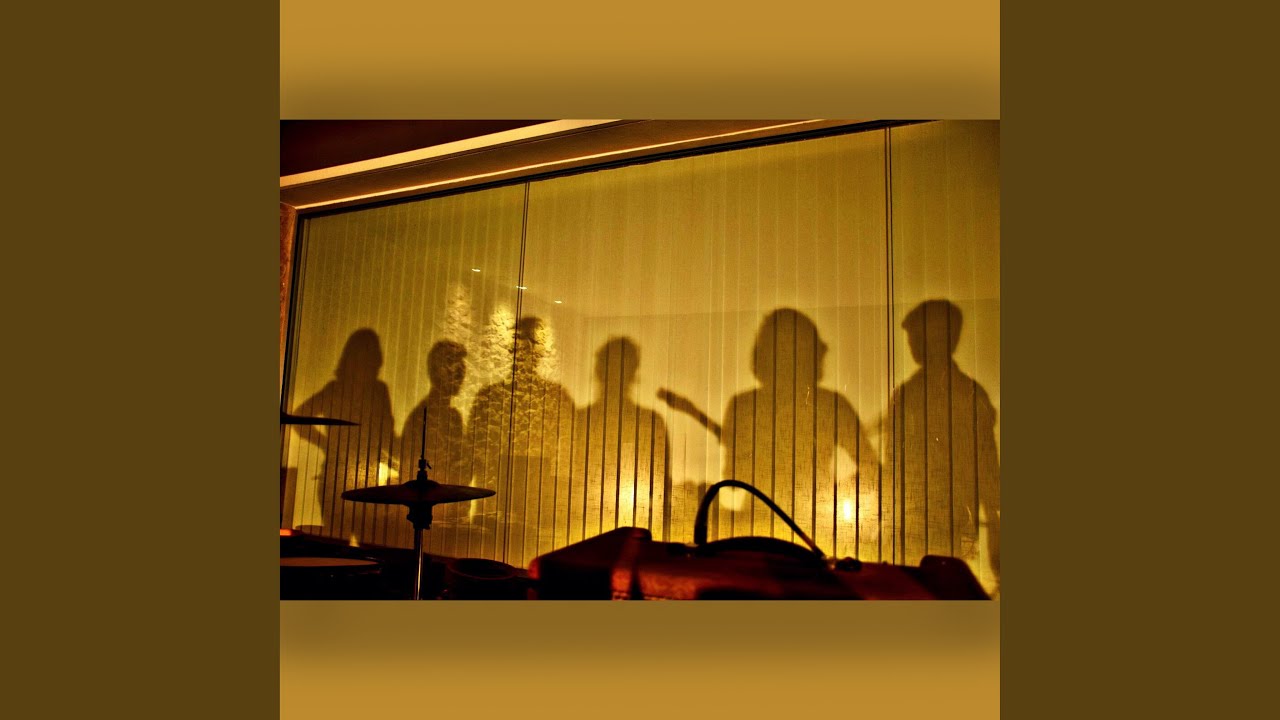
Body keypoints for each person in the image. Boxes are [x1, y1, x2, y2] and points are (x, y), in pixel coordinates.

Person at [660, 308, 880, 555]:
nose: (786, 359)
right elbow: (872, 468)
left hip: (781, 530)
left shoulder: (750, 405)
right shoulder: (828, 404)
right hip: (788, 529)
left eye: (791, 349)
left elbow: (872, 468)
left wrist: (835, 496)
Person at [885, 300, 1000, 595]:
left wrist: (995, 522)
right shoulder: (911, 394)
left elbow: (986, 463)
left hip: (945, 522)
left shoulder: (963, 395)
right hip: (917, 522)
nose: (913, 344)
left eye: (918, 335)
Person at [466, 317, 575, 565]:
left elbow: (566, 454)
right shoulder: (489, 396)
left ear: (537, 350)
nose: (514, 351)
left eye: (522, 343)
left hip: (538, 499)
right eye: (513, 344)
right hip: (494, 498)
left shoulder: (556, 397)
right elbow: (476, 452)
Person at [289, 328, 398, 544]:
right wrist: (326, 444)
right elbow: (300, 415)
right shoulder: (336, 390)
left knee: (368, 544)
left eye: (370, 359)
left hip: (367, 478)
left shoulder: (377, 391)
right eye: (362, 358)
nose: (367, 365)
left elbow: (387, 432)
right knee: (339, 544)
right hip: (337, 478)